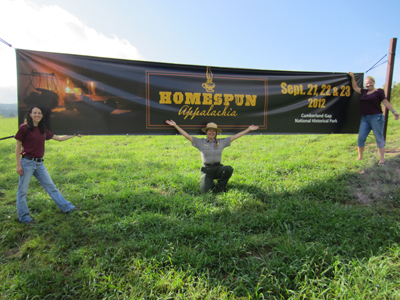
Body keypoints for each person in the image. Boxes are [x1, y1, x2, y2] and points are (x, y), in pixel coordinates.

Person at [15, 106, 83, 224]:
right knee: (22, 191)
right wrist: (18, 165)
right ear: (30, 115)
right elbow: (17, 146)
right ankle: (24, 218)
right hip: (27, 163)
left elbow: (59, 139)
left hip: (39, 164)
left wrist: (75, 134)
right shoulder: (24, 128)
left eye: (39, 113)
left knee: (51, 187)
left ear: (42, 116)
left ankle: (67, 208)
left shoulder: (42, 129)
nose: (37, 115)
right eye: (35, 113)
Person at [165, 120, 259, 193]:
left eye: (214, 131)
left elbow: (235, 136)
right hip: (207, 170)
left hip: (218, 168)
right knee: (205, 193)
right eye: (209, 130)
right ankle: (208, 182)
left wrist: (248, 129)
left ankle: (220, 186)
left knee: (228, 169)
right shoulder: (200, 142)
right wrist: (175, 125)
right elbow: (186, 135)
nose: (211, 132)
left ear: (216, 133)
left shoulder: (221, 142)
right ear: (206, 132)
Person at [349, 72, 399, 165]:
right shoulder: (364, 92)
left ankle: (382, 160)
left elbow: (386, 102)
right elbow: (355, 87)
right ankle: (360, 157)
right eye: (367, 83)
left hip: (376, 117)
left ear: (373, 82)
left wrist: (394, 112)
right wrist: (352, 77)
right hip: (365, 118)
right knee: (361, 137)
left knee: (379, 138)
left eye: (370, 82)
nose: (368, 84)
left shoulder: (379, 91)